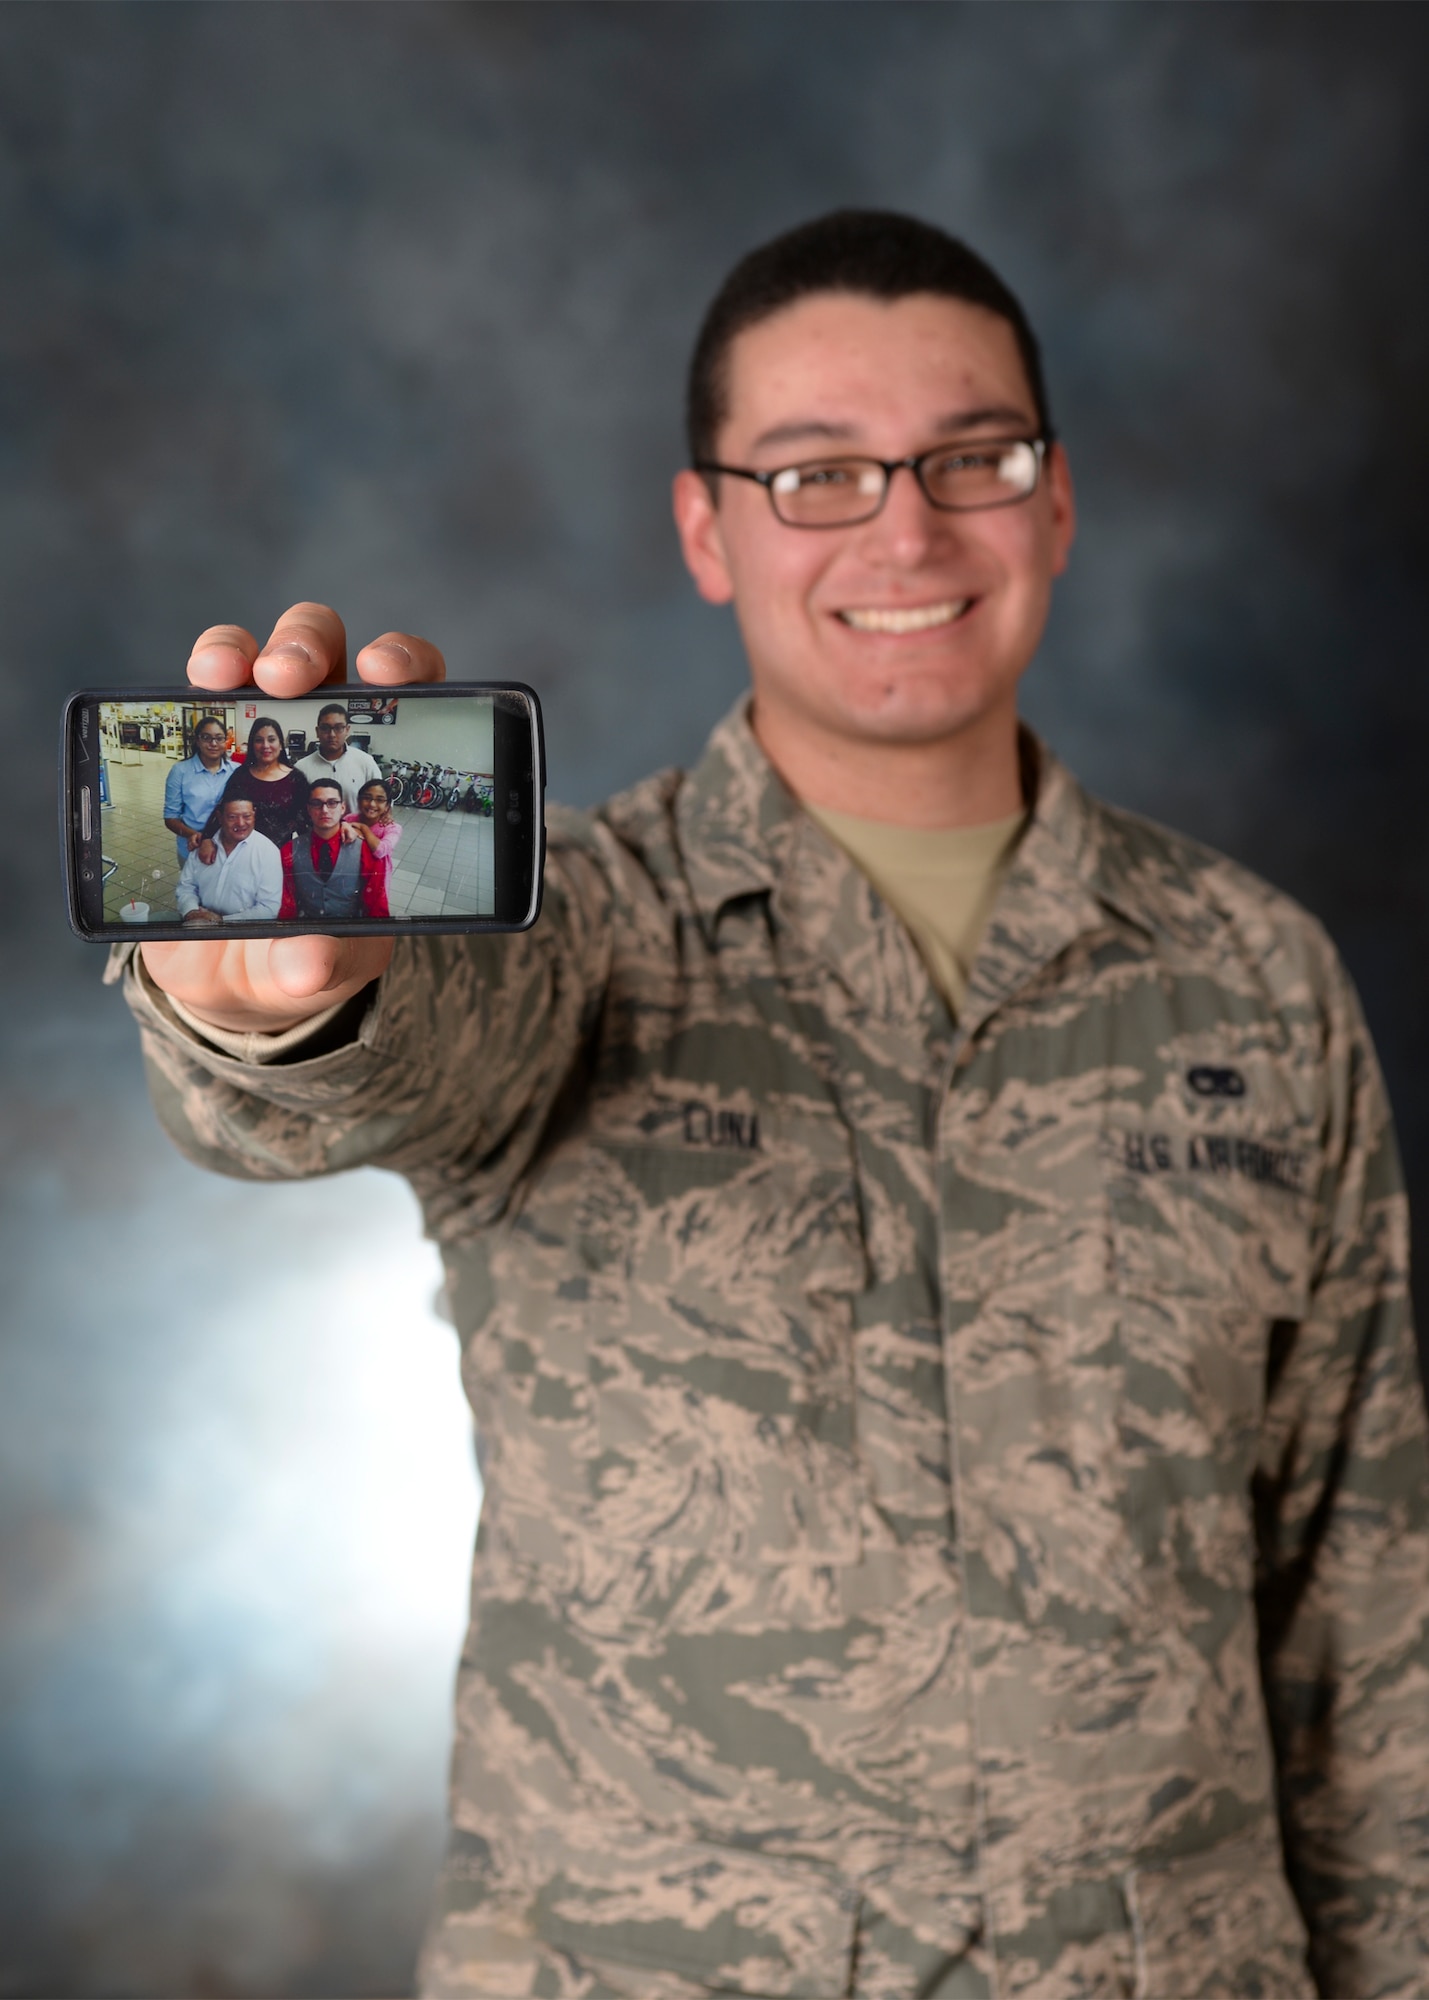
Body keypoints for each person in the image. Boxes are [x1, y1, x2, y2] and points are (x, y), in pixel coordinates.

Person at [112, 212, 1428, 1998]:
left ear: (1053, 501)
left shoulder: (1255, 976)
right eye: (813, 474)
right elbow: (378, 1056)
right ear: (702, 529)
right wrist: (282, 1001)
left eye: (971, 459)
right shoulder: (581, 935)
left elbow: (1358, 1606)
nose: (904, 527)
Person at [199, 715, 310, 855]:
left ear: (281, 744)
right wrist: (207, 838)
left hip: (283, 855)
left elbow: (307, 819)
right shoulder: (241, 776)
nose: (265, 746)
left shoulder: (296, 779)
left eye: (271, 739)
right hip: (243, 853)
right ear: (252, 745)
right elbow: (222, 810)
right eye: (259, 740)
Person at [278, 778, 388, 920]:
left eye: (332, 803)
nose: (324, 810)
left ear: (342, 807)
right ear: (308, 809)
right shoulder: (289, 850)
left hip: (350, 930)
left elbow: (376, 904)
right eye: (317, 803)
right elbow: (287, 903)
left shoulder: (364, 850)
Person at [173, 794, 282, 924]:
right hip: (198, 924)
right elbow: (186, 886)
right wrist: (191, 912)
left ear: (254, 814)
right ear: (220, 817)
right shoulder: (203, 846)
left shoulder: (267, 852)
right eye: (232, 817)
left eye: (247, 816)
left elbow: (269, 908)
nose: (241, 823)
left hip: (243, 931)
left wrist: (220, 921)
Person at [161, 713, 235, 865]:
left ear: (225, 741)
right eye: (206, 738)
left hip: (228, 848)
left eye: (219, 738)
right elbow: (170, 818)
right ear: (197, 741)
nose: (213, 743)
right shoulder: (180, 771)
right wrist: (196, 836)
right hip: (192, 848)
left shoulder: (236, 771)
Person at [295, 701, 383, 809]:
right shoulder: (302, 768)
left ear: (347, 730)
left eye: (338, 728)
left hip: (357, 826)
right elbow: (296, 808)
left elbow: (381, 801)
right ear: (317, 731)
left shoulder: (365, 763)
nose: (332, 734)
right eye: (325, 728)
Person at [341, 778, 402, 918]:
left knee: (371, 909)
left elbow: (380, 850)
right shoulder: (350, 818)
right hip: (351, 872)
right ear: (359, 800)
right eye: (367, 798)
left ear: (387, 806)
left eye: (380, 800)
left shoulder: (392, 828)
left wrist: (363, 828)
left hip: (376, 879)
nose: (372, 804)